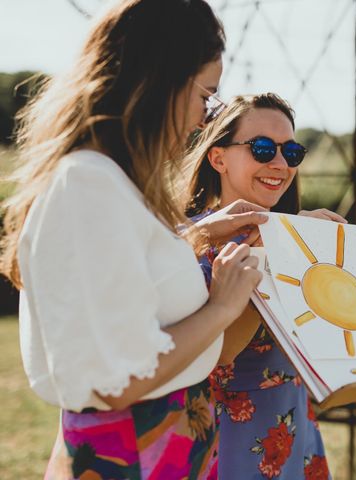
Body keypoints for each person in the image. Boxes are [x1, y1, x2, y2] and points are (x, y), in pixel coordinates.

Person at [0, 1, 267, 478]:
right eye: (204, 96)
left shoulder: (108, 184)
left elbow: (128, 285)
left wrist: (196, 235)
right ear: (158, 83)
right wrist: (221, 308)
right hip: (132, 453)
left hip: (158, 446)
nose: (203, 119)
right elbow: (118, 378)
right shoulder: (88, 185)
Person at [182, 92, 356, 479]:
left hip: (294, 435)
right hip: (224, 445)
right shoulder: (191, 242)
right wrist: (278, 252)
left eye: (292, 152)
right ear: (218, 158)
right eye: (262, 149)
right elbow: (221, 354)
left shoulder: (300, 237)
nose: (280, 164)